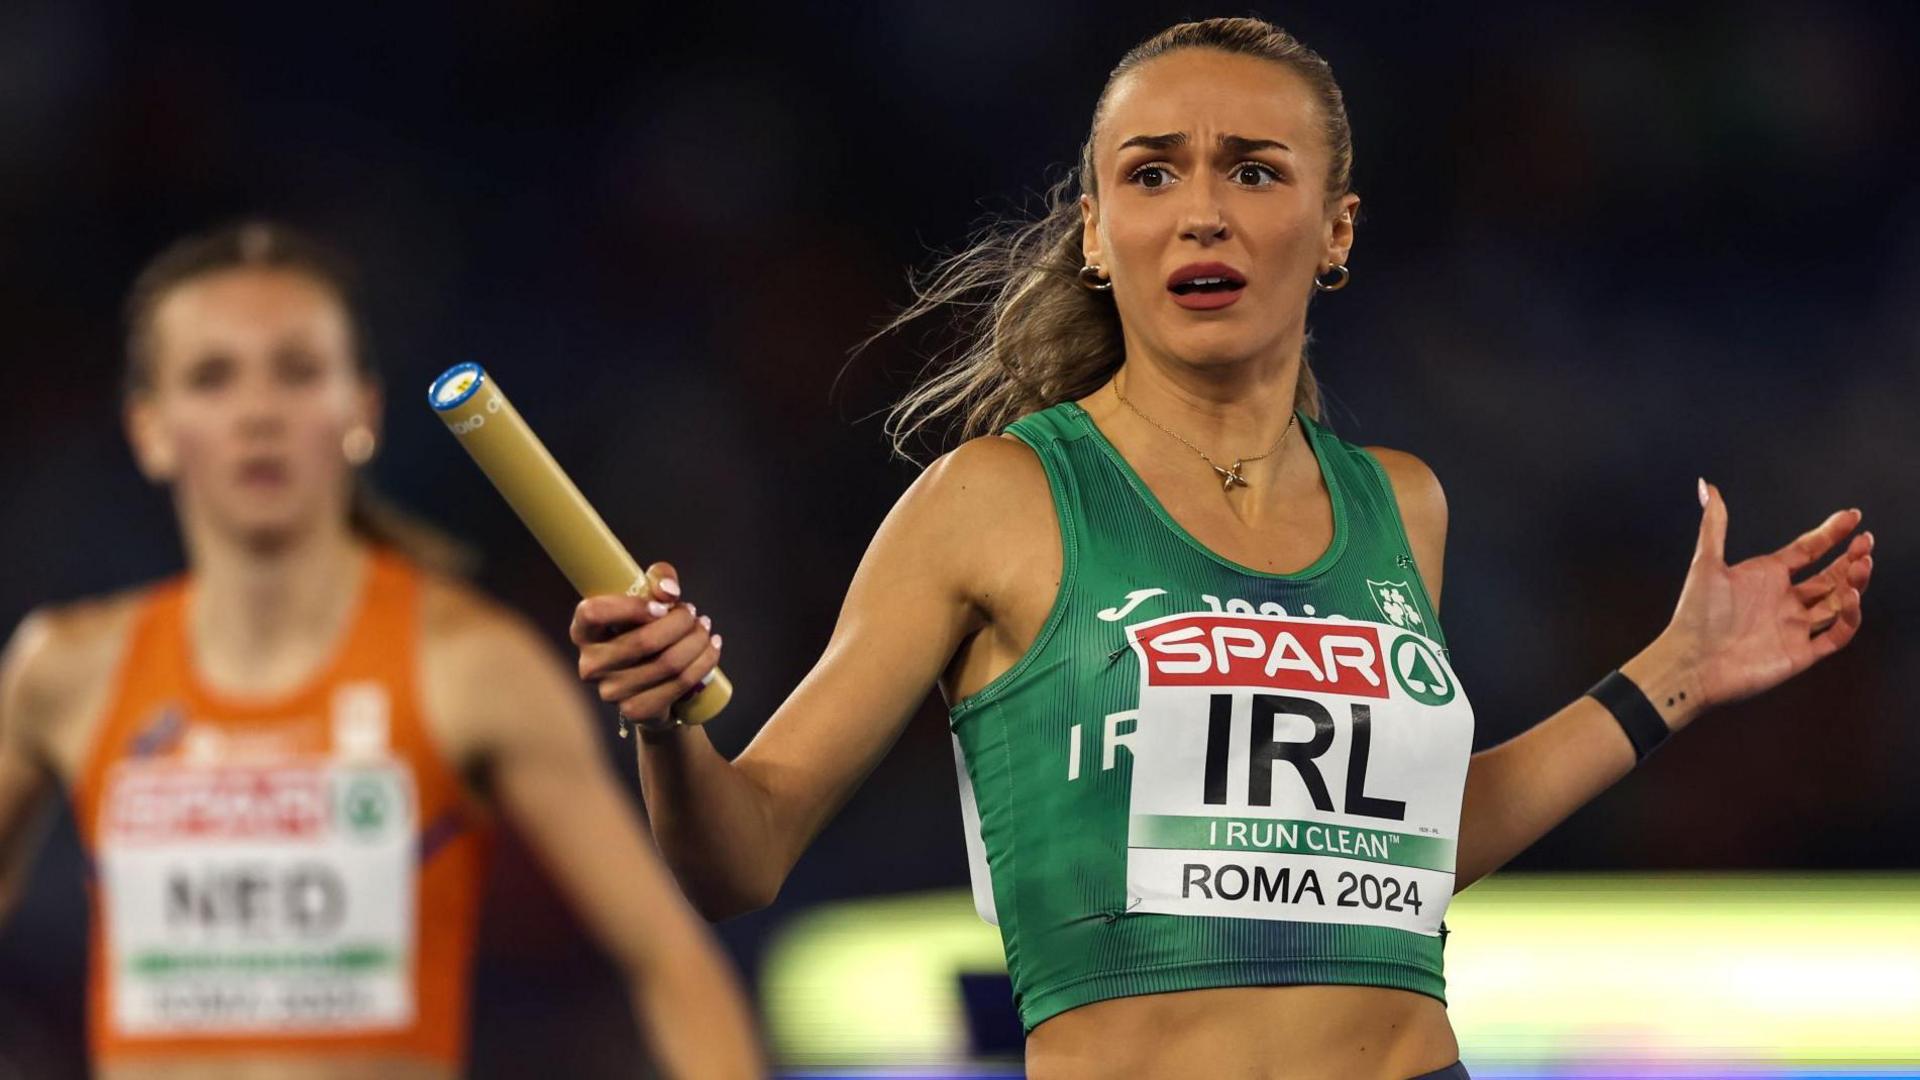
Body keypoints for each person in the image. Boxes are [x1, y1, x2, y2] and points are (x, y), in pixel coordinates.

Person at [568, 17, 1874, 1080]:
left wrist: (1676, 672)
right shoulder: (997, 499)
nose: (1201, 212)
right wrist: (669, 724)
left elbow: (1399, 863)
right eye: (1151, 173)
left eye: (1252, 169)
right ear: (1095, 230)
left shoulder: (1401, 504)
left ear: (1338, 227)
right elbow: (737, 858)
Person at [0, 222, 762, 1079]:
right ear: (149, 427)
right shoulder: (65, 670)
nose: (258, 413)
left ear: (362, 410)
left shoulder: (472, 666)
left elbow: (672, 960)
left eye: (297, 371)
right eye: (212, 377)